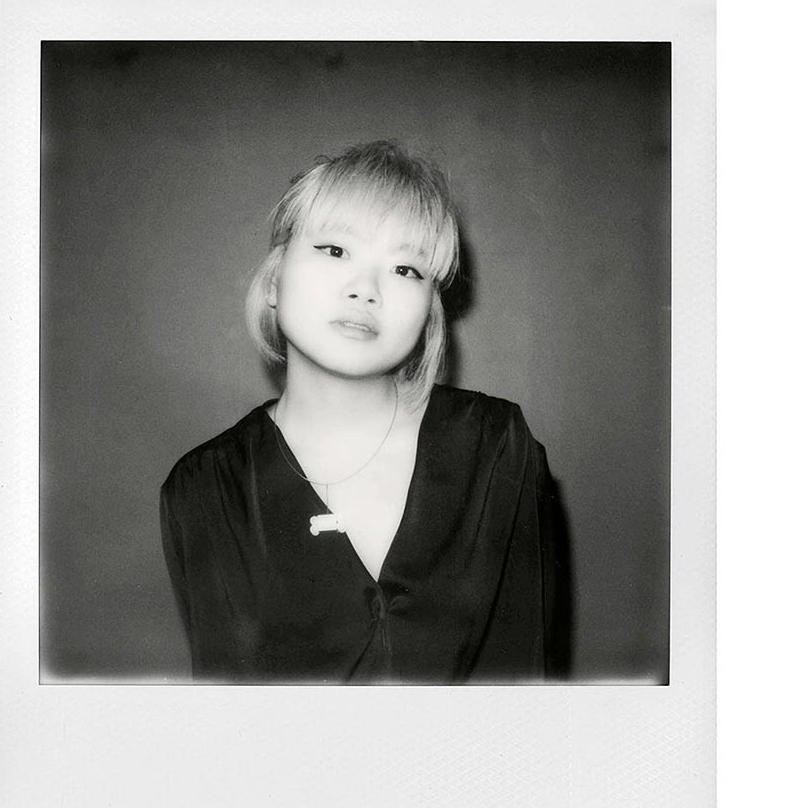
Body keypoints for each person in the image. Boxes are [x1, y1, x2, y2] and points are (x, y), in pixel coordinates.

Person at [160, 141, 563, 683]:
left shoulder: (497, 448)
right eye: (334, 250)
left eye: (405, 268)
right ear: (275, 282)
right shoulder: (202, 489)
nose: (366, 290)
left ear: (430, 310)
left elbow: (525, 693)